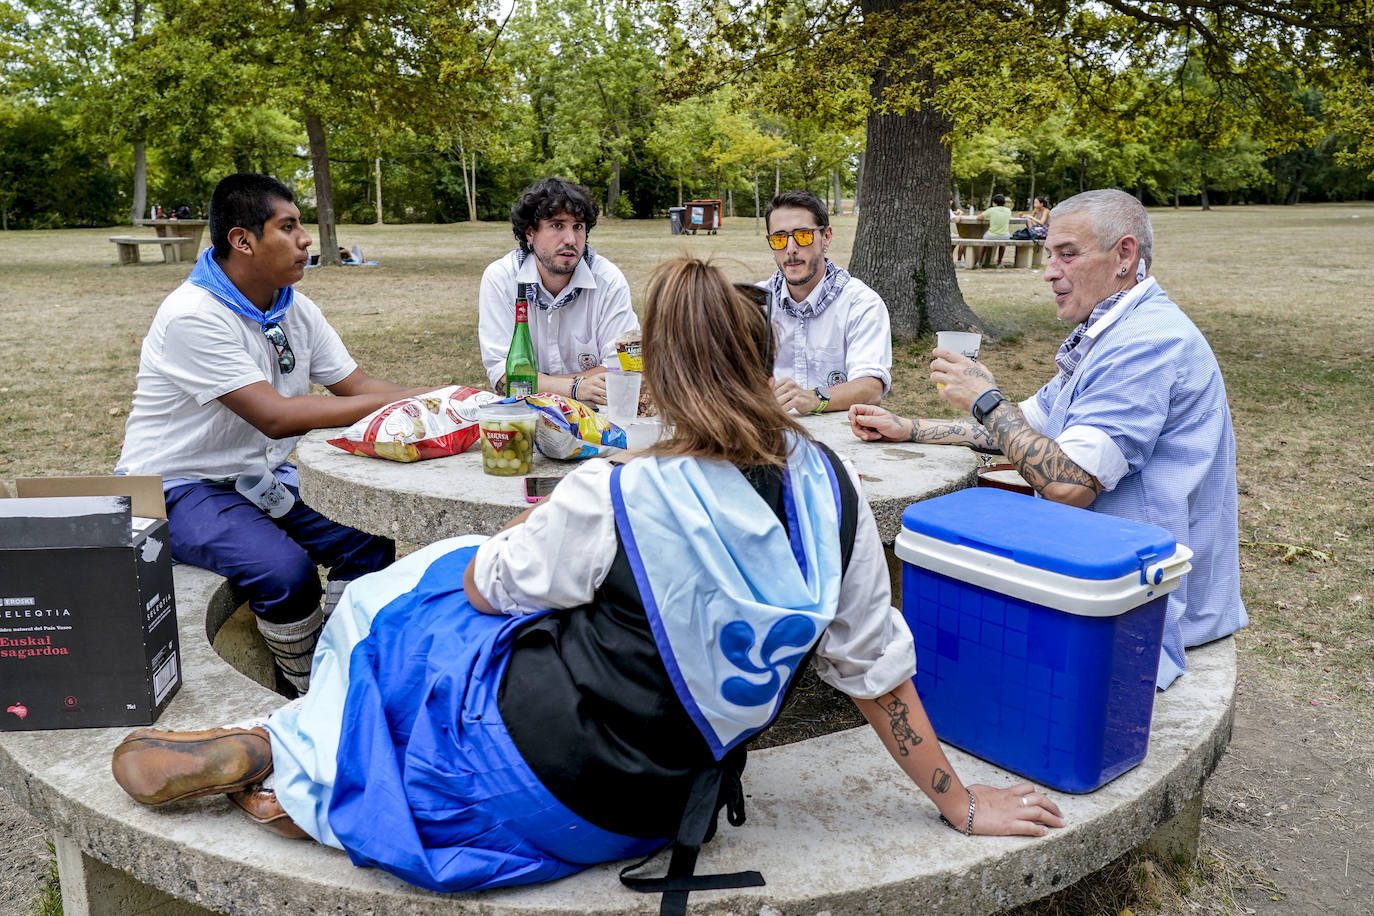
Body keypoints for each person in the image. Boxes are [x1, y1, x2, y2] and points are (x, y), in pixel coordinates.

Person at [110, 257, 1063, 904]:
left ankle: (287, 749)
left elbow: (493, 585)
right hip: (661, 801)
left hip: (533, 780)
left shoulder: (618, 490)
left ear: (656, 376)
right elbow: (874, 669)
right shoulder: (832, 488)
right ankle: (282, 750)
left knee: (409, 609)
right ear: (763, 362)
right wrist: (957, 799)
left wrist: (531, 539)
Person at [849, 189, 1247, 689]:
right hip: (1109, 574)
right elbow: (1029, 434)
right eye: (1047, 253)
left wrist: (986, 398)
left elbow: (1069, 484)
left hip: (1148, 609)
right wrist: (909, 428)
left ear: (1125, 255)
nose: (1049, 271)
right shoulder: (1109, 328)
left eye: (1067, 253)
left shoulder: (1149, 341)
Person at [115, 173, 433, 694]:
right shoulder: (192, 316)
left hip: (259, 475)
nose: (305, 239)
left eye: (301, 225)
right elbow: (276, 416)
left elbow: (353, 384)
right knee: (285, 572)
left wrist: (435, 400)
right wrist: (411, 399)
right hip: (179, 485)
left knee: (365, 533)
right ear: (242, 240)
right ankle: (308, 690)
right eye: (288, 227)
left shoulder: (292, 307)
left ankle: (345, 666)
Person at [477, 177, 638, 407]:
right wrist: (576, 388)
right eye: (557, 225)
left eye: (578, 227)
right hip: (525, 417)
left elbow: (621, 373)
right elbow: (504, 376)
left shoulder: (609, 281)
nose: (571, 240)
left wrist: (535, 383)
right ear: (530, 233)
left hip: (596, 420)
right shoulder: (502, 278)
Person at [761, 190, 890, 416]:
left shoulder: (860, 304)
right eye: (779, 238)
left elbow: (871, 387)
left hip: (840, 440)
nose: (790, 248)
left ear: (826, 237)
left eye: (802, 235)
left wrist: (814, 398)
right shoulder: (755, 303)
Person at [980, 193, 1013, 267]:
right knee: (1002, 244)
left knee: (983, 242)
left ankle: (979, 262)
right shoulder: (1008, 210)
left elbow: (979, 217)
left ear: (994, 203)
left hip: (991, 235)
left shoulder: (991, 210)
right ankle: (999, 263)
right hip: (1005, 236)